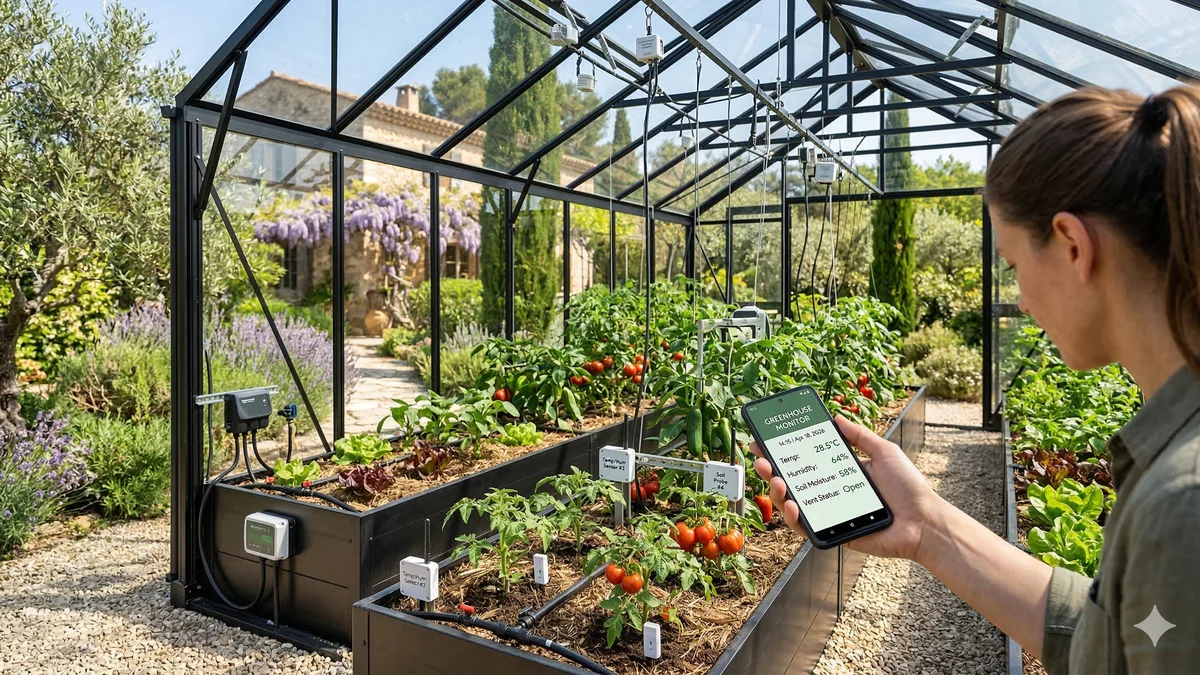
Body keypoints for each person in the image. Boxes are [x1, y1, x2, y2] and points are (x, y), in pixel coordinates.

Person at [752, 85, 1200, 675]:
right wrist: (926, 527)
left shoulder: (1182, 503)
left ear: (1072, 245)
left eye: (1013, 264)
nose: (1021, 299)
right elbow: (1117, 638)